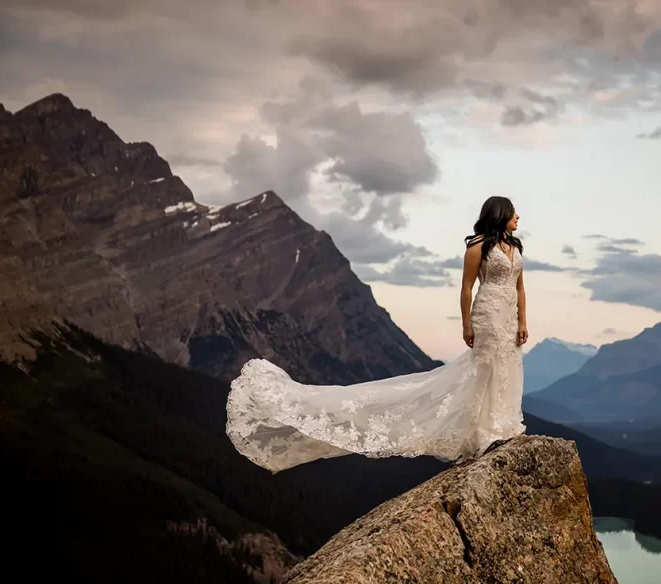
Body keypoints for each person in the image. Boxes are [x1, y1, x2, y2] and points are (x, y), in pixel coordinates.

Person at [225, 196, 528, 472]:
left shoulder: (515, 248)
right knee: (486, 367)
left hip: (510, 316)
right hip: (488, 313)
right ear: (500, 214)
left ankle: (504, 423)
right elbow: (466, 288)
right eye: (513, 212)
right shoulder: (477, 248)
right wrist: (466, 324)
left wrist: (523, 322)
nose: (518, 216)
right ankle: (486, 431)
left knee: (508, 365)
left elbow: (520, 287)